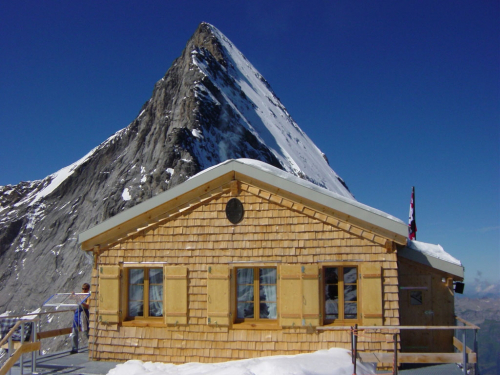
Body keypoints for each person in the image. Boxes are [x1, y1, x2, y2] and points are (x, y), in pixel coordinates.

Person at [70, 283, 90, 354]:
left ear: (88, 289)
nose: (84, 290)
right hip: (77, 313)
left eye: (85, 289)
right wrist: (73, 295)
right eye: (83, 289)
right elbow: (71, 298)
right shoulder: (80, 295)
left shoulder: (88, 296)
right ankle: (74, 348)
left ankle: (91, 345)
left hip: (84, 313)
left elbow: (88, 306)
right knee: (74, 330)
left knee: (85, 330)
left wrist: (81, 302)